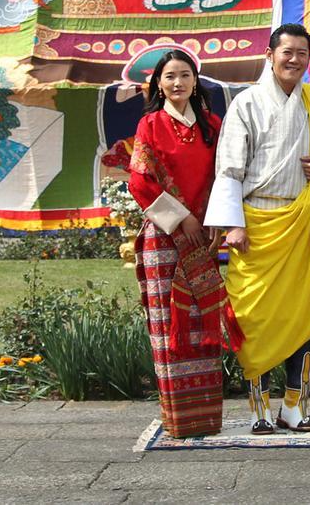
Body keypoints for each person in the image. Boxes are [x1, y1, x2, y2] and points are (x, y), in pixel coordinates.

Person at [204, 23, 310, 434]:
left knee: (302, 314)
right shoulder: (247, 104)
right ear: (270, 55)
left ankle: (295, 405)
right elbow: (229, 169)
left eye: (302, 53)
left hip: (306, 222)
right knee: (256, 317)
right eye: (287, 52)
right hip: (257, 223)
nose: (294, 60)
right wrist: (232, 225)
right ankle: (259, 408)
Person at [127, 47, 231, 439]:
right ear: (158, 83)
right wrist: (180, 218)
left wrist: (214, 219)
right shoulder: (150, 125)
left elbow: (225, 174)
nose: (177, 83)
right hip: (164, 235)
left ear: (195, 81)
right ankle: (179, 420)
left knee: (202, 321)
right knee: (169, 322)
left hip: (203, 235)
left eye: (185, 75)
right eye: (169, 76)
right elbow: (139, 181)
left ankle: (206, 417)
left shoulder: (212, 124)